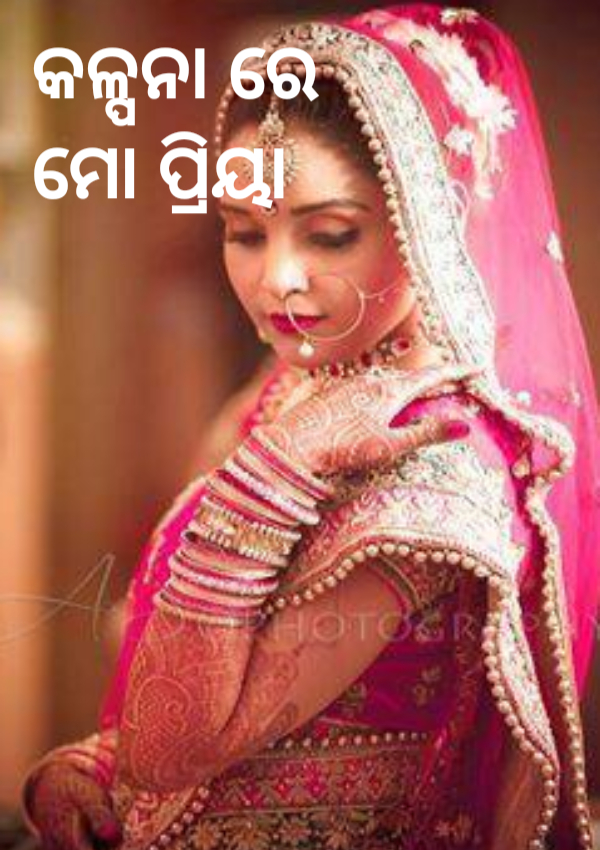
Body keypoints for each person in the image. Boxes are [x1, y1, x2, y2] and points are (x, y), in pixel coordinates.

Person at [20, 5, 600, 849]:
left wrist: (275, 472)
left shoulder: (433, 469)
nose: (277, 279)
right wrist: (92, 767)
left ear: (429, 222)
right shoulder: (292, 389)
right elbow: (154, 680)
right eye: (245, 232)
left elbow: (172, 749)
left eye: (330, 234)